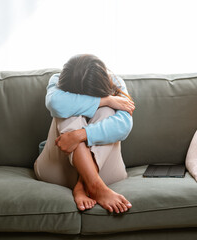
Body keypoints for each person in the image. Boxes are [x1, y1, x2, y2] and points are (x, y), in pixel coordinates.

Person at [34, 54, 135, 214]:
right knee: (68, 112)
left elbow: (123, 126)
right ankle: (94, 185)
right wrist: (106, 100)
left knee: (107, 113)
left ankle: (85, 184)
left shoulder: (116, 83)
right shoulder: (57, 80)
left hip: (106, 173)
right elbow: (56, 104)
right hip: (57, 171)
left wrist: (80, 135)